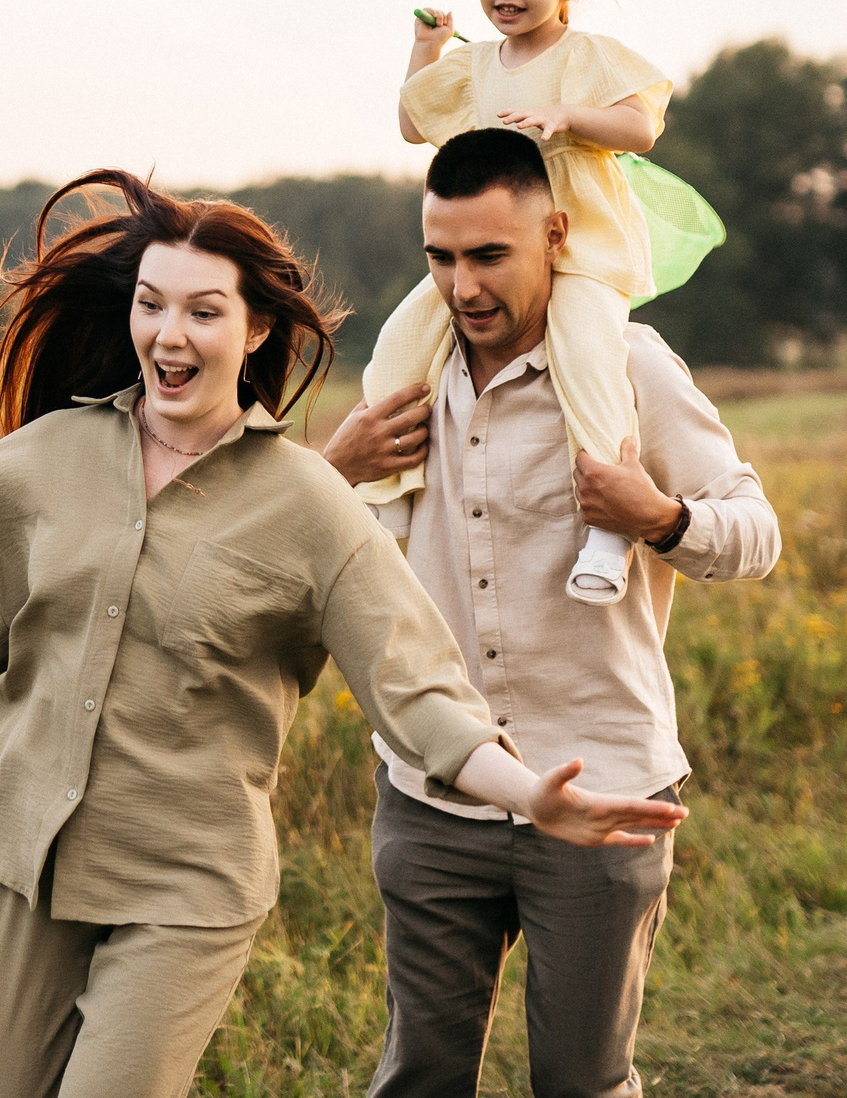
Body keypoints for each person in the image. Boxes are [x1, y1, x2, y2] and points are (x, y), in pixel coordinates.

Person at [0, 169, 687, 1098]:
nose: (170, 334)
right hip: (15, 857)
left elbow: (418, 686)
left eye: (203, 311)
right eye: (153, 305)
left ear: (253, 328)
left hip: (185, 881)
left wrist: (526, 790)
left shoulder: (306, 501)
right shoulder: (39, 460)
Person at [324, 129, 781, 1098]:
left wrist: (656, 517)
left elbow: (756, 531)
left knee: (582, 1082)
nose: (462, 285)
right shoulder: (403, 386)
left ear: (556, 236)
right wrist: (335, 471)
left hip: (604, 790)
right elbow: (304, 558)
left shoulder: (629, 367)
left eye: (489, 253)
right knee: (417, 1076)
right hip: (432, 793)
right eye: (440, 257)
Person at [373, 0, 672, 605]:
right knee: (398, 341)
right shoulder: (477, 67)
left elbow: (641, 130)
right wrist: (426, 48)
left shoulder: (588, 56)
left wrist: (566, 115)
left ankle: (607, 527)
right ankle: (388, 495)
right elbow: (415, 124)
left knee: (587, 354)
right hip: (492, 254)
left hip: (579, 252)